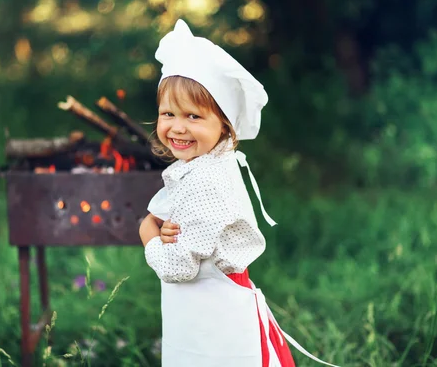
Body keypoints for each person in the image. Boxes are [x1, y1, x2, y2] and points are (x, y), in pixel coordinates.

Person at [139, 20, 340, 367]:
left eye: (193, 116)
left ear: (224, 124)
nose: (178, 126)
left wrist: (148, 232)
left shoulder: (207, 180)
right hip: (203, 312)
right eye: (167, 113)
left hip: (216, 318)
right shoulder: (204, 165)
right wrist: (170, 228)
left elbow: (179, 265)